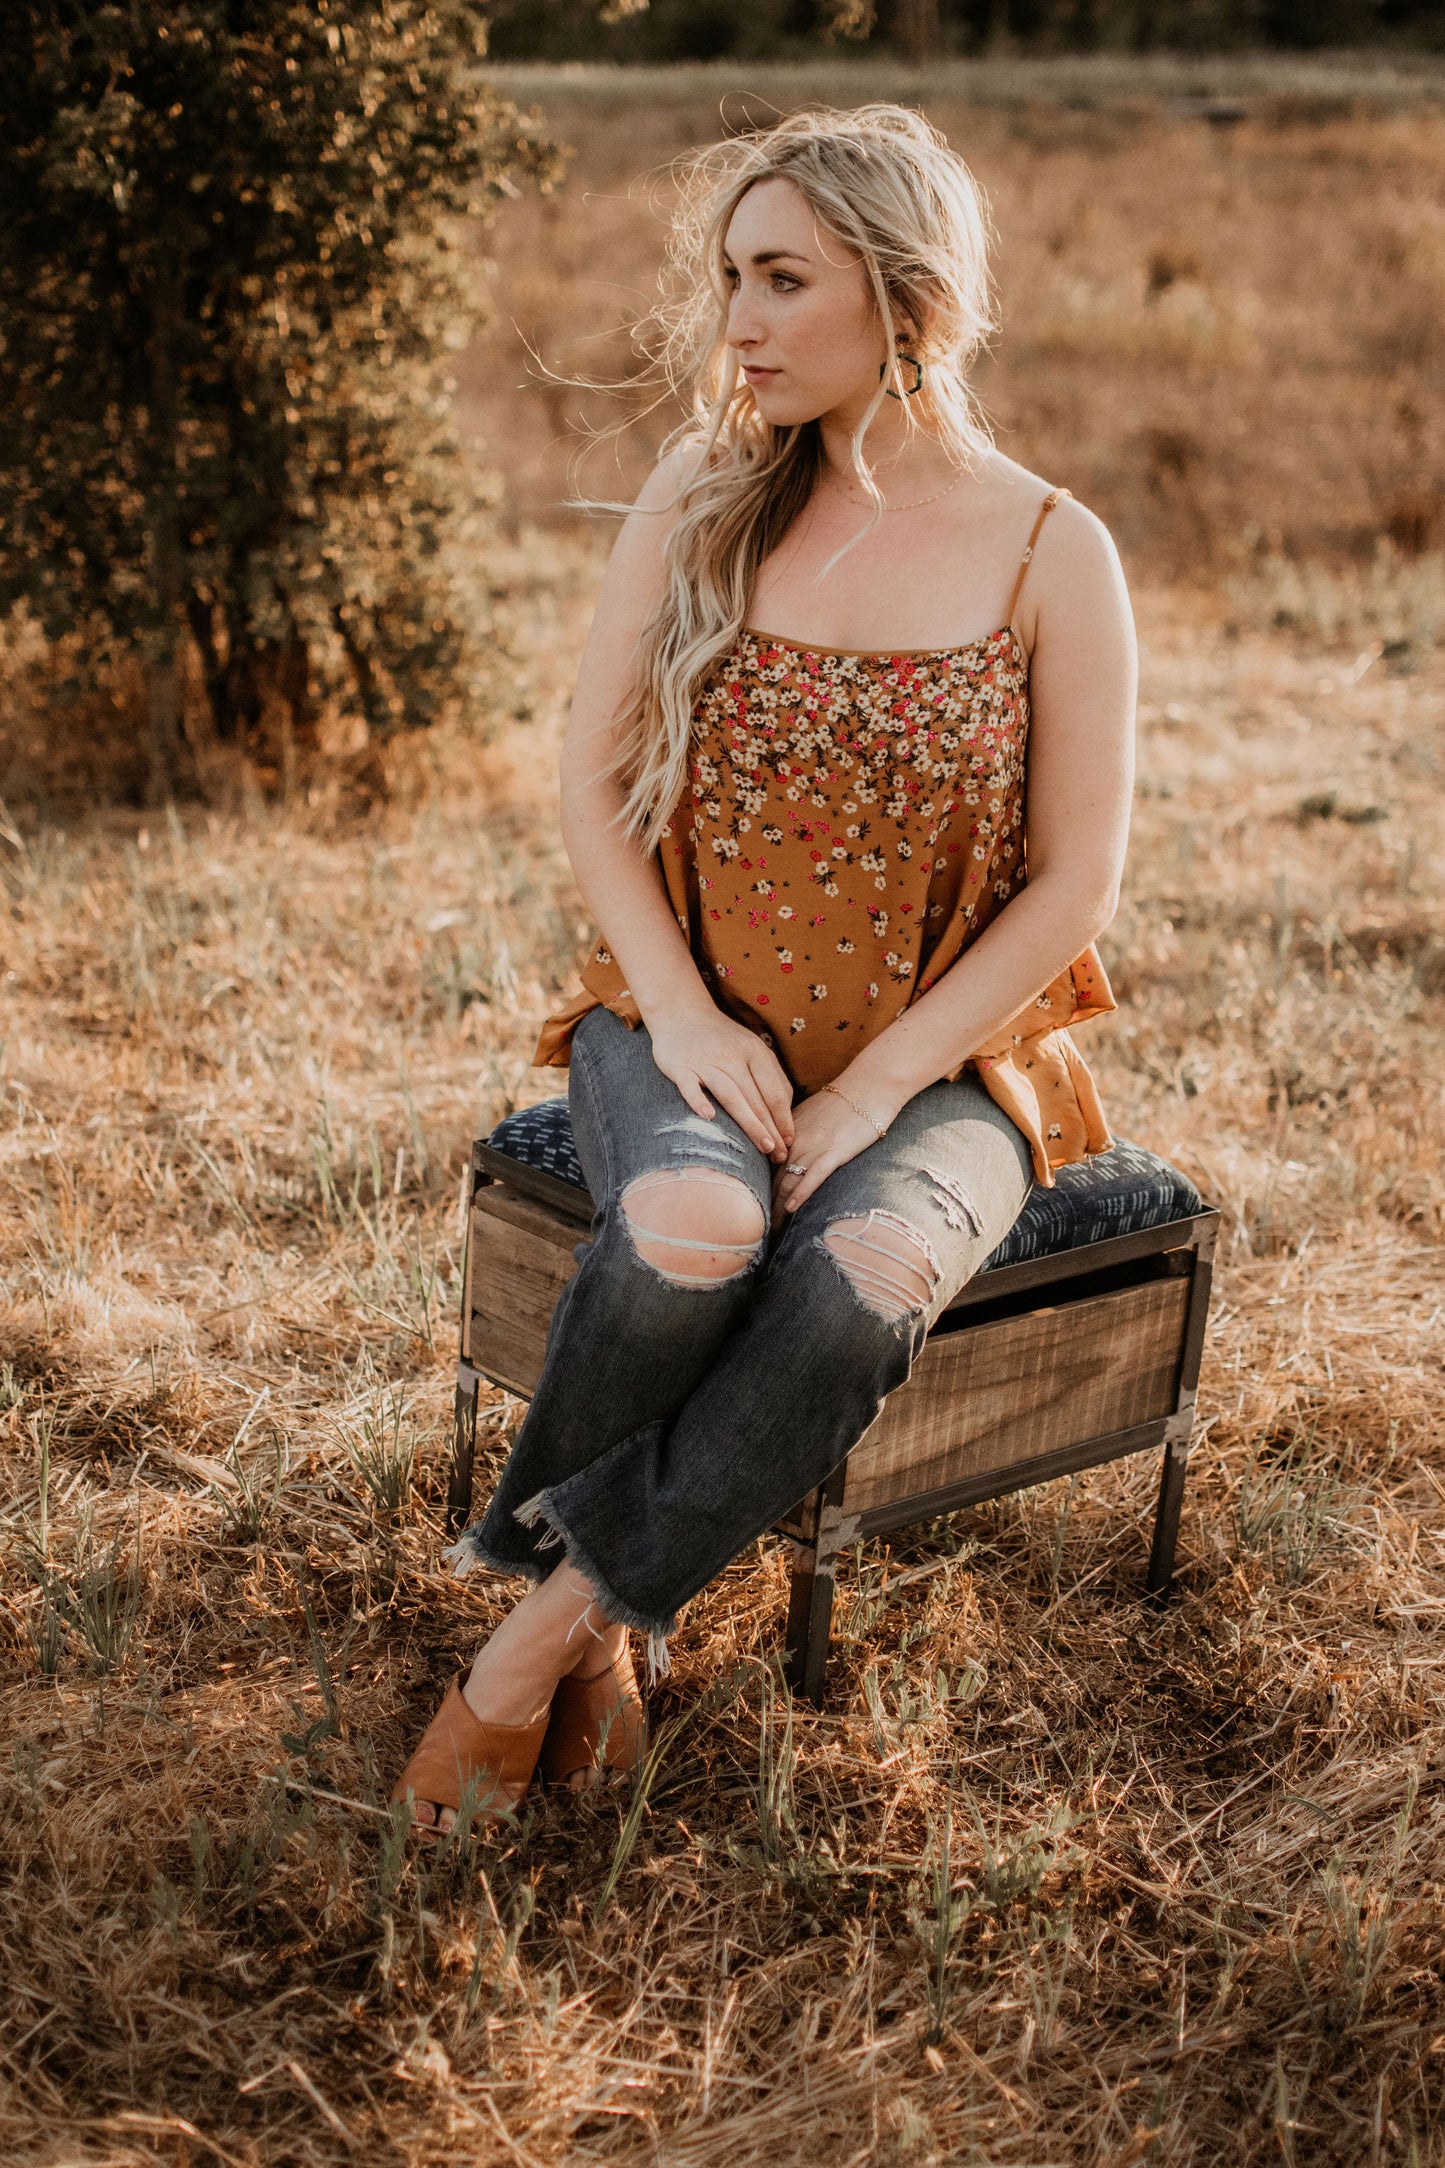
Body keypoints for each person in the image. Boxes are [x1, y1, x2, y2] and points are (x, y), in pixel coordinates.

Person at [391, 102, 1136, 1831]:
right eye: (732, 274)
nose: (736, 318)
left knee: (863, 1269)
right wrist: (683, 1012)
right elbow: (586, 792)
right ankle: (592, 1630)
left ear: (904, 293)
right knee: (696, 1231)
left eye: (782, 278)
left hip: (948, 1065)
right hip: (681, 1017)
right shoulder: (701, 492)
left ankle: (542, 1641)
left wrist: (880, 1082)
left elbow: (1072, 883)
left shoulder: (1050, 550)